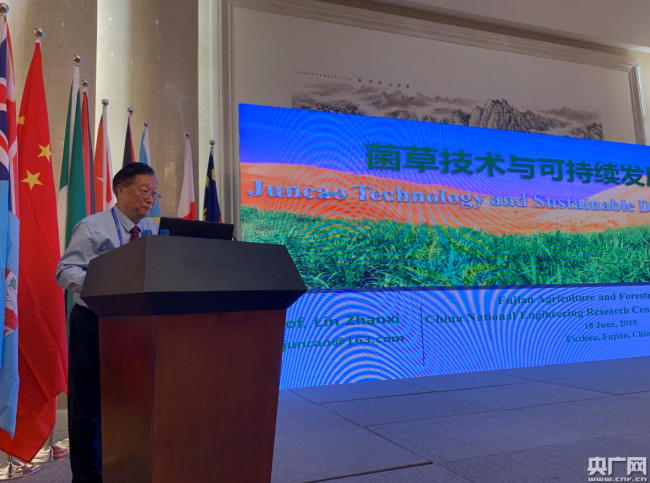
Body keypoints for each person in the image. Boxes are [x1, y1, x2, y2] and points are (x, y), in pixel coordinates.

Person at [56, 162, 160, 482]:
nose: (150, 199)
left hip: (138, 327)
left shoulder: (154, 230)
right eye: (144, 191)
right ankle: (87, 477)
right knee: (88, 409)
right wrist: (104, 286)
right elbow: (65, 271)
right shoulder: (92, 227)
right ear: (121, 191)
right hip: (94, 324)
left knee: (130, 405)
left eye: (154, 194)